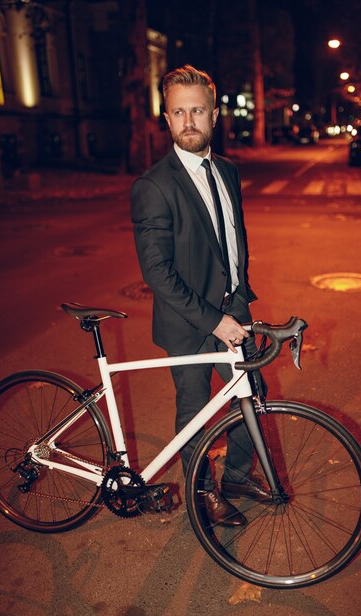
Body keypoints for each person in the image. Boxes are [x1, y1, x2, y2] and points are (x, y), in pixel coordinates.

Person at [130, 65, 268, 527]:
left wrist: (240, 298)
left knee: (252, 393)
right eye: (178, 112)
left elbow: (232, 238)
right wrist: (213, 321)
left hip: (234, 309)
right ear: (166, 119)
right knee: (194, 412)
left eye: (198, 111)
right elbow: (157, 272)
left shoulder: (227, 171)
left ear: (214, 116)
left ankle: (237, 477)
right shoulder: (153, 186)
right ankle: (202, 492)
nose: (189, 121)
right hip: (189, 322)